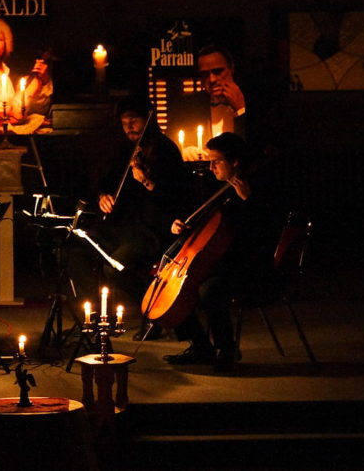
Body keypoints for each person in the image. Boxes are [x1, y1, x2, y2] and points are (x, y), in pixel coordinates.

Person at [162, 132, 278, 373]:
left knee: (208, 289)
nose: (211, 166)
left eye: (217, 161)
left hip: (250, 266)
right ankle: (201, 345)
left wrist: (249, 201)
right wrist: (180, 225)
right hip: (221, 262)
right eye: (209, 160)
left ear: (235, 162)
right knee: (176, 287)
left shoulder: (257, 188)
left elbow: (264, 233)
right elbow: (199, 223)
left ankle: (226, 350)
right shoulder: (215, 187)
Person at [80, 97, 191, 341]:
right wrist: (103, 196)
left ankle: (156, 313)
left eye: (134, 120)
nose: (129, 126)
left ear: (148, 119)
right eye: (124, 122)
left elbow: (177, 196)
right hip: (127, 225)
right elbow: (104, 182)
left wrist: (148, 182)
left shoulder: (164, 149)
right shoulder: (126, 149)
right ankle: (92, 318)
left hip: (155, 228)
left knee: (115, 268)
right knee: (83, 247)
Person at [198, 45, 246, 140]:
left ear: (231, 68)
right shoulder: (190, 105)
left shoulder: (258, 100)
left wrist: (241, 110)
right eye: (205, 74)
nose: (211, 79)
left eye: (218, 71)